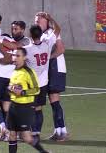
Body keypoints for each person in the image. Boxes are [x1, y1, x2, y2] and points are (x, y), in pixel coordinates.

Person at [7, 47, 49, 153]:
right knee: (11, 135)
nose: (15, 58)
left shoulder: (29, 72)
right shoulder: (14, 71)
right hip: (13, 107)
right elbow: (11, 87)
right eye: (14, 55)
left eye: (18, 56)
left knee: (26, 137)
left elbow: (36, 90)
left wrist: (22, 92)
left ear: (24, 57)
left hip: (24, 108)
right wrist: (10, 89)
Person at [35, 12, 68, 141]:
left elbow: (61, 49)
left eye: (39, 21)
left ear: (46, 21)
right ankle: (59, 131)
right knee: (53, 101)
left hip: (56, 68)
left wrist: (47, 59)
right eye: (36, 21)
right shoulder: (43, 35)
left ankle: (62, 131)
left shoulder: (51, 33)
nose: (36, 23)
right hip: (50, 69)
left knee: (54, 100)